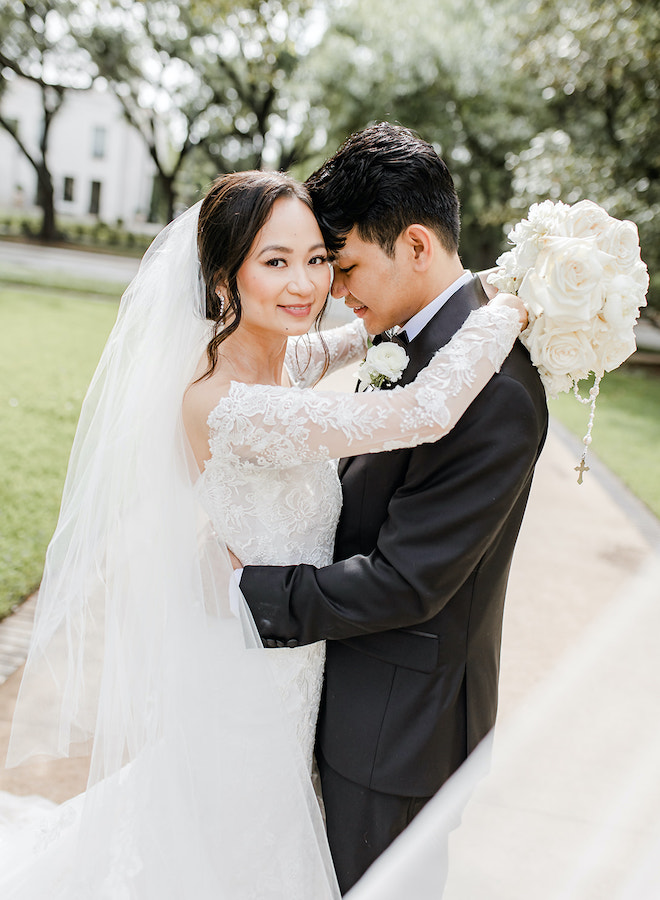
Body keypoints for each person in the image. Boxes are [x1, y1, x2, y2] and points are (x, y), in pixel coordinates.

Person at [0, 169, 526, 897]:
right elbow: (423, 412)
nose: (307, 285)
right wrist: (509, 311)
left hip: (290, 659)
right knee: (232, 852)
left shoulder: (282, 361)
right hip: (247, 675)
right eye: (274, 262)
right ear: (225, 278)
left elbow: (353, 343)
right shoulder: (230, 405)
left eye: (318, 259)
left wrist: (451, 295)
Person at [235, 124, 549, 894]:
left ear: (413, 245)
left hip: (397, 730)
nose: (334, 292)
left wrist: (247, 593)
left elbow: (407, 581)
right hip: (346, 696)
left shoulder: (494, 390)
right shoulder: (414, 337)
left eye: (341, 265)